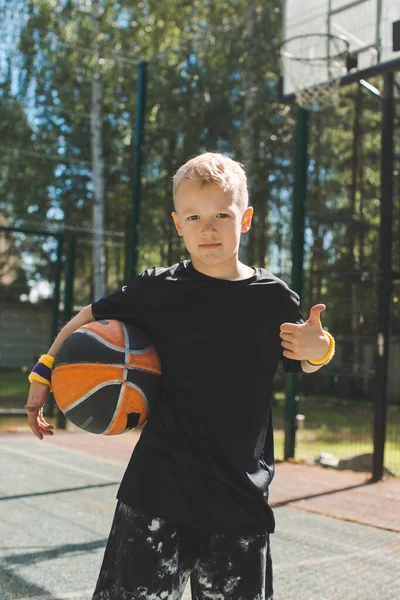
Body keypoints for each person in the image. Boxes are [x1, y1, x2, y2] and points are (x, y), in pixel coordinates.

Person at [26, 152, 335, 600]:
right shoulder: (156, 289)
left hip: (239, 496)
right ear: (177, 224)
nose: (207, 228)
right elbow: (86, 318)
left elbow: (307, 355)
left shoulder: (273, 300)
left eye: (221, 215)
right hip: (157, 489)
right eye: (194, 216)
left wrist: (320, 349)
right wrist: (43, 372)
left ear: (244, 219)